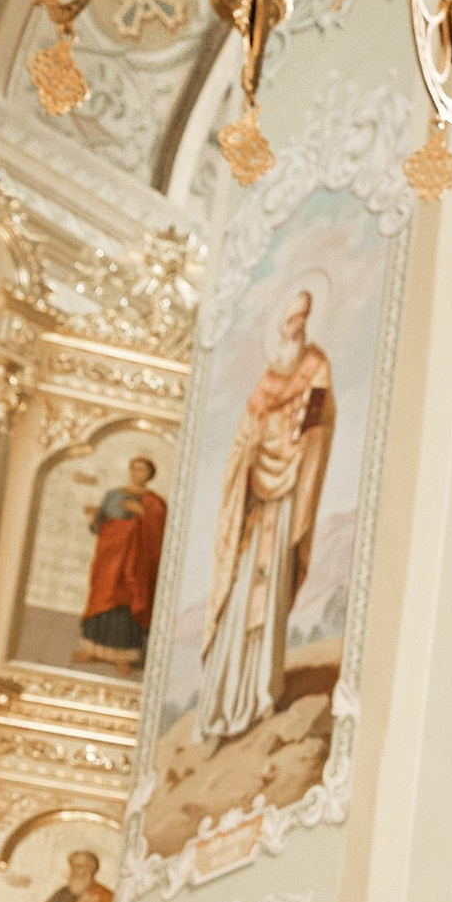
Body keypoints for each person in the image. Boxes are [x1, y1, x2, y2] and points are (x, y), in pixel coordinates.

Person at [198, 290, 333, 749]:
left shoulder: (316, 366)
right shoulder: (264, 381)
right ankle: (226, 697)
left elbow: (315, 425)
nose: (296, 328)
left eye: (302, 320)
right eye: (289, 321)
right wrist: (250, 464)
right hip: (257, 501)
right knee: (240, 597)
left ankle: (260, 691)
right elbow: (243, 440)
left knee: (270, 590)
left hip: (287, 496)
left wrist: (292, 455)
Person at [75, 450, 169, 667]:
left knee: (126, 602)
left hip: (134, 562)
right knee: (102, 597)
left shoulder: (154, 502)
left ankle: (123, 656)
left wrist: (143, 514)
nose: (138, 473)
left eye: (143, 469)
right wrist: (94, 516)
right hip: (109, 557)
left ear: (150, 474)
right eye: (135, 468)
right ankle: (92, 649)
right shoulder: (113, 494)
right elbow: (99, 525)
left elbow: (159, 532)